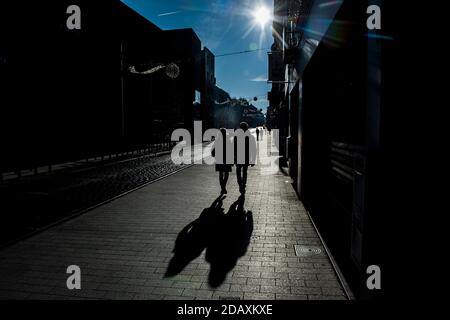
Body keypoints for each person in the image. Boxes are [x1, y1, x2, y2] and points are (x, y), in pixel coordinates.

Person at [234, 122, 256, 195]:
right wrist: (253, 160)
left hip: (238, 157)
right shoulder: (250, 137)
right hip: (246, 157)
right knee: (244, 172)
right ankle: (243, 184)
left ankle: (240, 184)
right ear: (247, 128)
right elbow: (253, 149)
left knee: (238, 172)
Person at [212, 128, 233, 195]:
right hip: (227, 159)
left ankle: (223, 188)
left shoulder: (217, 140)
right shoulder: (228, 140)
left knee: (221, 174)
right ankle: (223, 187)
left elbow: (213, 150)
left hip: (219, 159)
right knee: (226, 174)